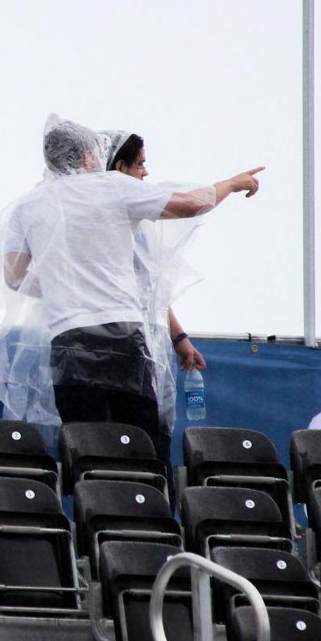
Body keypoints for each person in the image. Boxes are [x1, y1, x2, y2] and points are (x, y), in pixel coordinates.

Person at [0, 114, 261, 448]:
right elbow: (191, 205)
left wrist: (64, 286)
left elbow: (14, 277)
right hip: (121, 335)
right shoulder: (112, 187)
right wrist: (231, 183)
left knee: (87, 442)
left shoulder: (26, 206)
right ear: (87, 156)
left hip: (67, 340)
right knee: (137, 440)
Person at [102, 130, 206, 463]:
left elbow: (150, 288)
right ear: (120, 167)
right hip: (121, 348)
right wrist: (231, 185)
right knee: (129, 444)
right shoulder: (107, 223)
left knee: (155, 443)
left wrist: (178, 337)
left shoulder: (140, 224)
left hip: (150, 346)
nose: (146, 172)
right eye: (140, 164)